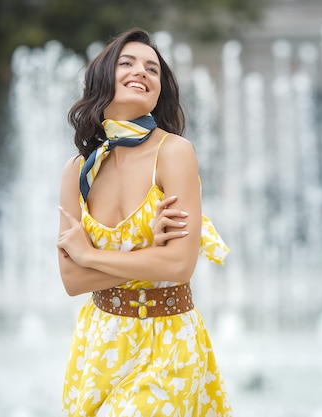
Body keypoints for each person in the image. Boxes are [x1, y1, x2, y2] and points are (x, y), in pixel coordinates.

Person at [56, 28, 231, 416]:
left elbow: (179, 266)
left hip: (165, 337)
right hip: (100, 339)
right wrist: (149, 254)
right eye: (128, 63)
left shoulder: (174, 153)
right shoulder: (76, 172)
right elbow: (72, 281)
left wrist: (90, 255)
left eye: (153, 68)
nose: (143, 72)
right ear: (103, 78)